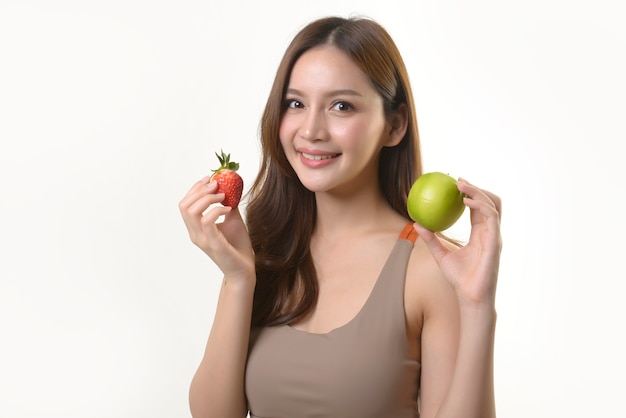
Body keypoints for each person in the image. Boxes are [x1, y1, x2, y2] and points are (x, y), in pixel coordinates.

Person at [179, 15, 502, 418]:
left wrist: (476, 307)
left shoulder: (430, 269)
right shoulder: (266, 254)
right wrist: (237, 279)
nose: (311, 129)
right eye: (295, 103)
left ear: (395, 125)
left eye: (341, 106)